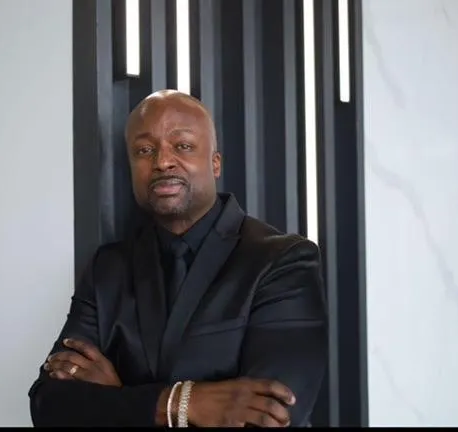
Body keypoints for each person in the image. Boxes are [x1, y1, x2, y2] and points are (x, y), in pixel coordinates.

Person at [28, 89, 328, 427]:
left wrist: (120, 396)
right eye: (145, 150)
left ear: (215, 163)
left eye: (182, 146)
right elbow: (48, 406)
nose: (162, 161)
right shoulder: (108, 268)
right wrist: (182, 405)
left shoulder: (282, 261)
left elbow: (271, 419)